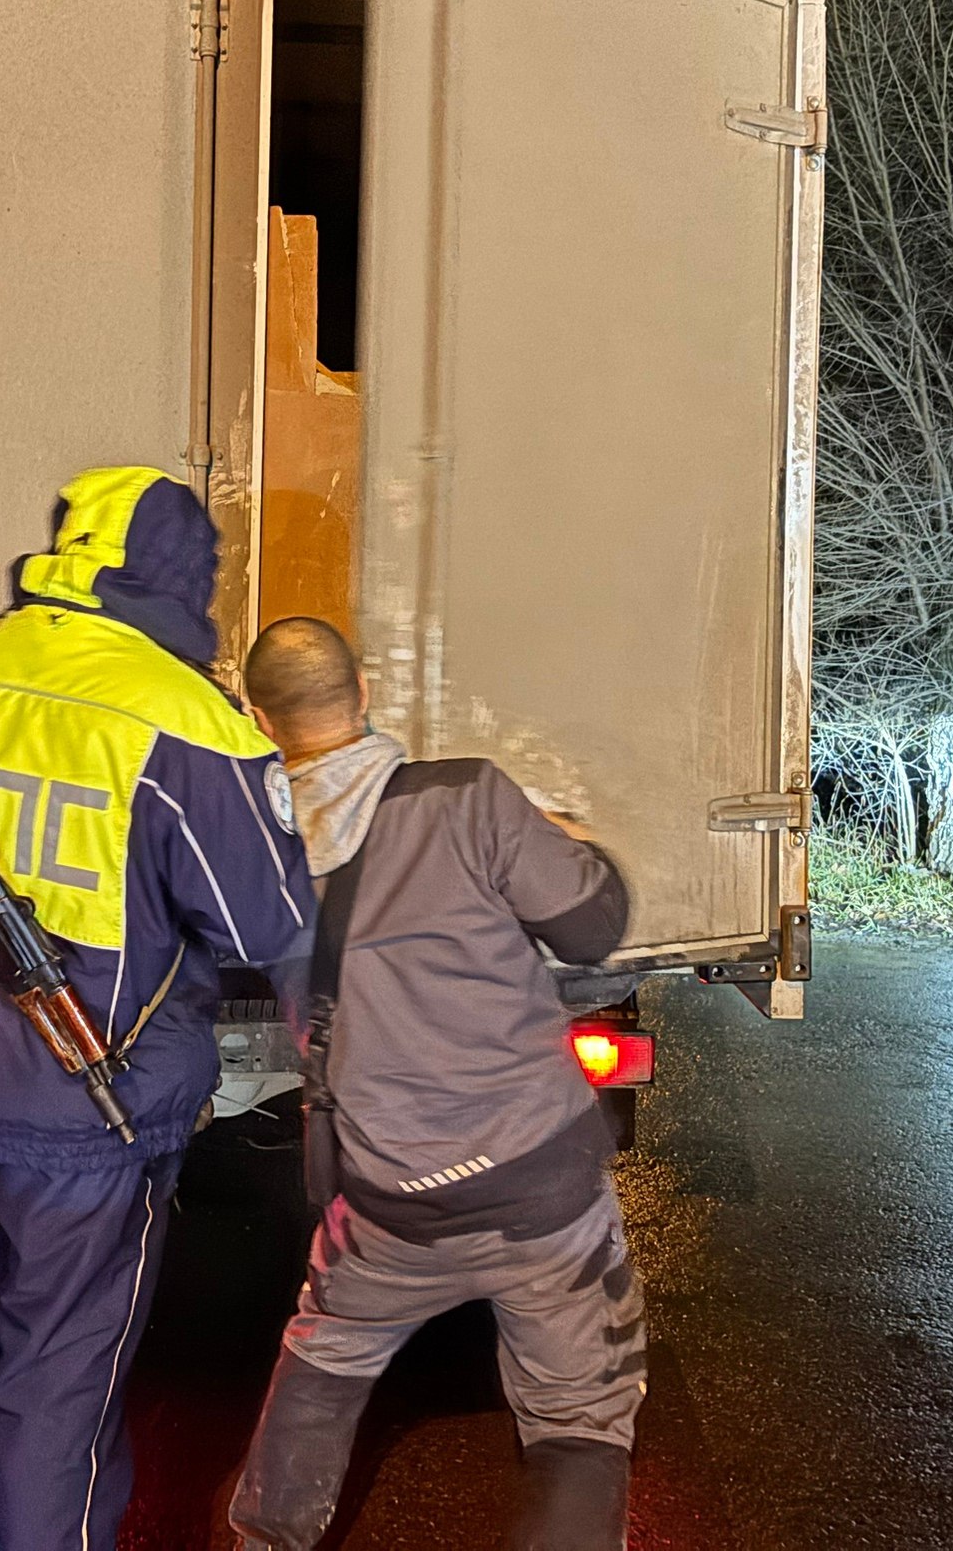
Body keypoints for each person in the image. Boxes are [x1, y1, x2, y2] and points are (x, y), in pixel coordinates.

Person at [0, 466, 313, 1551]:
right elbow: (263, 928)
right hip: (93, 1120)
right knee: (55, 1394)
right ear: (177, 575)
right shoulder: (186, 715)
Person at [227, 617, 645, 1551]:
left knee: (324, 1350)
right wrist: (567, 840)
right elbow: (591, 929)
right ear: (365, 689)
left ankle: (266, 1537)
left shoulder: (250, 850)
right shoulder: (468, 800)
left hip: (387, 1201)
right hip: (541, 1186)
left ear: (258, 718)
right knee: (579, 1415)